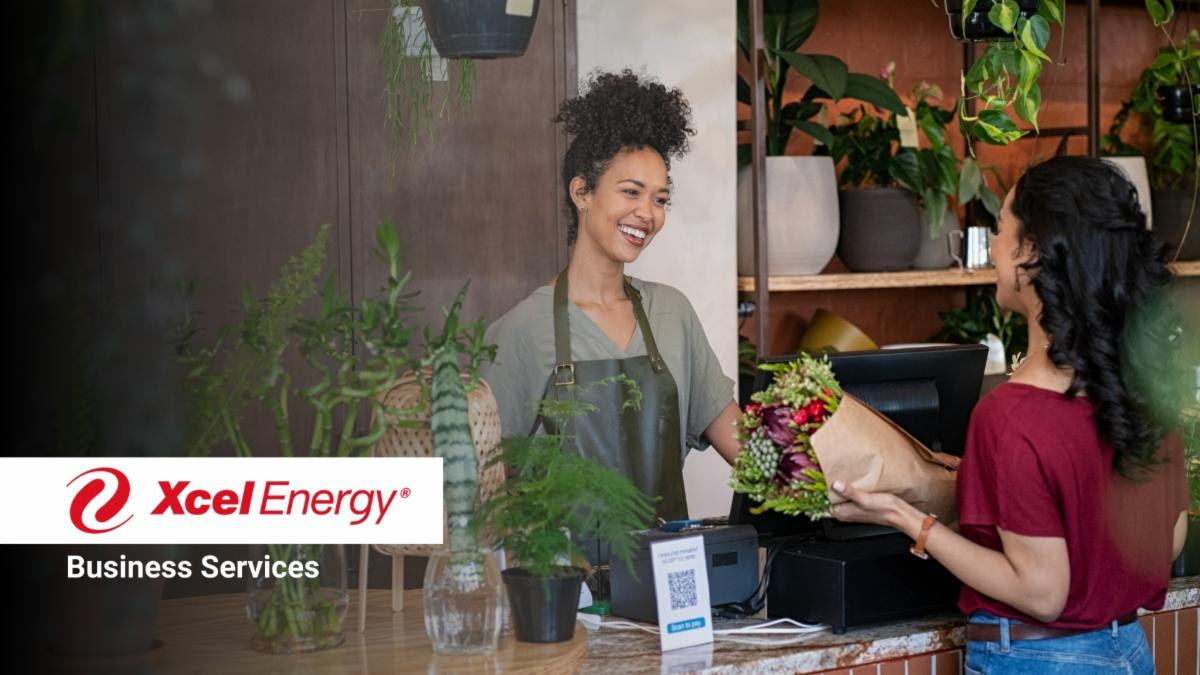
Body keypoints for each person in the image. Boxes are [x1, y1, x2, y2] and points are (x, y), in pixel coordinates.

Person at [831, 156, 1189, 674]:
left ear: (1032, 251)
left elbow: (1041, 593)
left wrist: (906, 518)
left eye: (1001, 228)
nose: (994, 247)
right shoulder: (1146, 394)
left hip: (1038, 659)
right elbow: (1169, 542)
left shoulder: (1011, 415)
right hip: (1127, 651)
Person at [482, 70, 741, 522]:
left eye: (660, 199)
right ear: (582, 192)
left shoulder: (671, 314)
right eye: (631, 192)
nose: (647, 213)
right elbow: (481, 485)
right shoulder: (521, 331)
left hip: (668, 562)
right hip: (562, 568)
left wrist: (831, 488)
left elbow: (742, 444)